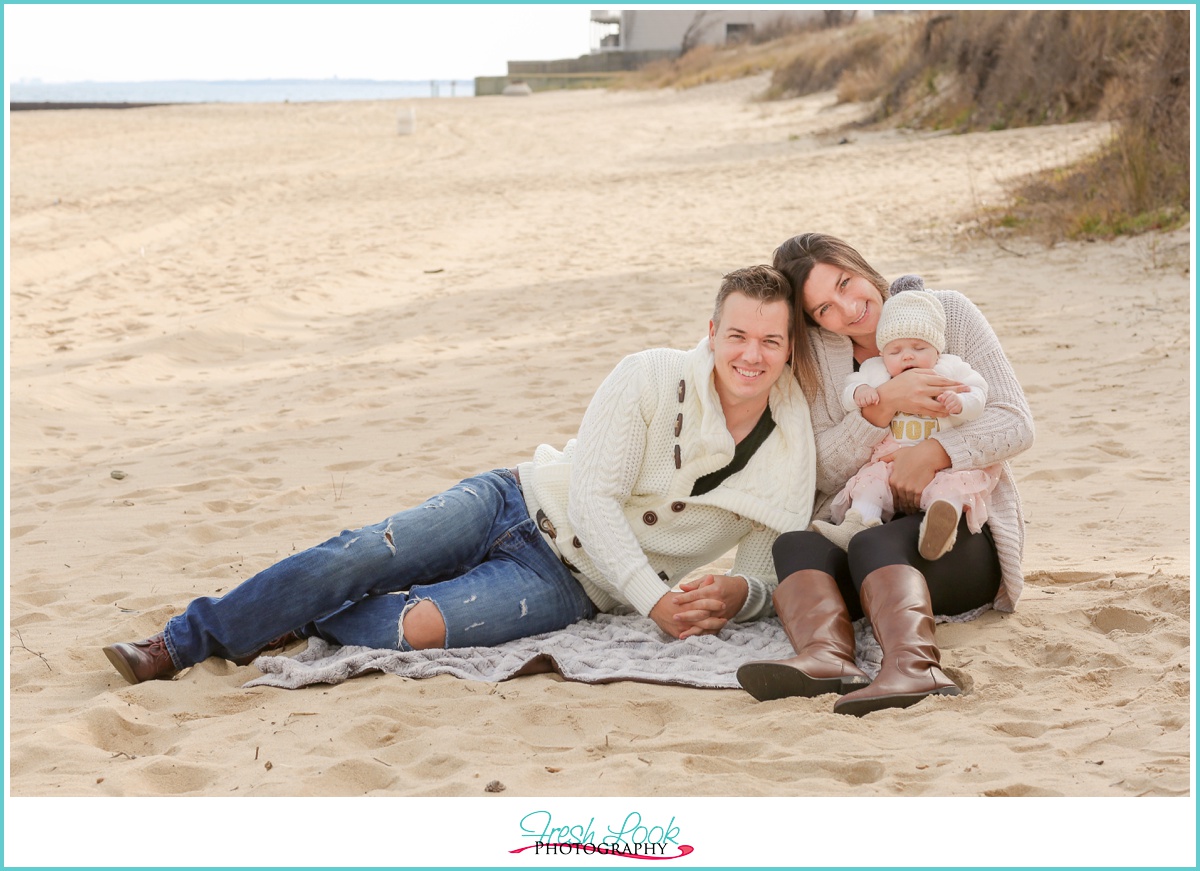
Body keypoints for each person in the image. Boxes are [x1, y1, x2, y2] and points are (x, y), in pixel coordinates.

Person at [103, 266, 817, 685]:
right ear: (714, 330)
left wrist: (739, 594)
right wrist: (655, 601)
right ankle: (182, 641)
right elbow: (595, 501)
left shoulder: (788, 451)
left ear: (789, 349)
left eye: (770, 341)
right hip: (512, 499)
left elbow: (764, 577)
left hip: (568, 585)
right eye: (737, 335)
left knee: (418, 626)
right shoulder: (649, 376)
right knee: (361, 553)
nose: (750, 355)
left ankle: (295, 613)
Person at [736, 233, 1033, 717]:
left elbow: (1015, 422)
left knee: (875, 543)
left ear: (858, 264)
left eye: (846, 283)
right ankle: (827, 659)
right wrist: (882, 408)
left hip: (958, 535)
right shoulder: (815, 358)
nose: (848, 309)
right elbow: (821, 468)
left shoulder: (948, 313)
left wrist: (935, 452)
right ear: (812, 321)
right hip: (868, 526)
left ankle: (916, 669)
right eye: (824, 309)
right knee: (795, 544)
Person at [810, 287, 1001, 561]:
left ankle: (940, 524)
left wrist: (961, 403)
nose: (907, 356)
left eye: (919, 347)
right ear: (883, 353)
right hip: (890, 462)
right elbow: (851, 388)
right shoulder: (878, 370)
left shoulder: (951, 367)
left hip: (942, 465)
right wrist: (861, 393)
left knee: (953, 485)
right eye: (896, 350)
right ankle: (858, 524)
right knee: (871, 481)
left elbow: (978, 392)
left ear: (937, 349)